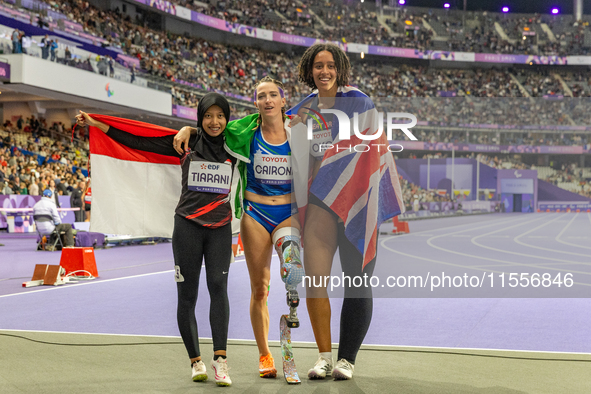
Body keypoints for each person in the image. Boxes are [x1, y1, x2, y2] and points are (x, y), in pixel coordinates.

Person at [75, 93, 234, 386]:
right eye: (208, 116)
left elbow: (262, 125)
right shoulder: (185, 144)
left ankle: (220, 361)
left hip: (220, 228)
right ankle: (196, 361)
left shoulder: (235, 145)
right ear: (200, 117)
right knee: (187, 295)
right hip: (187, 227)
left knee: (218, 287)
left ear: (227, 118)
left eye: (220, 116)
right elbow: (139, 141)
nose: (214, 122)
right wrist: (98, 124)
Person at [173, 77, 304, 379]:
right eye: (261, 96)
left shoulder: (299, 132)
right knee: (259, 289)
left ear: (284, 101)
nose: (268, 100)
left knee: (288, 257)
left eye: (273, 95)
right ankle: (265, 355)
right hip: (255, 213)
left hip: (287, 214)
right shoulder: (244, 130)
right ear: (256, 103)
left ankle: (292, 270)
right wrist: (188, 128)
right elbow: (213, 130)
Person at [288, 43, 404, 380]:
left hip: (357, 203)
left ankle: (346, 359)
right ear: (309, 70)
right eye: (318, 66)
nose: (324, 72)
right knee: (316, 282)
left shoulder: (360, 102)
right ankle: (324, 356)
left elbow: (373, 150)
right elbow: (270, 128)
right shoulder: (302, 110)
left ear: (340, 70)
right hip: (321, 206)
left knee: (357, 282)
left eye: (330, 66)